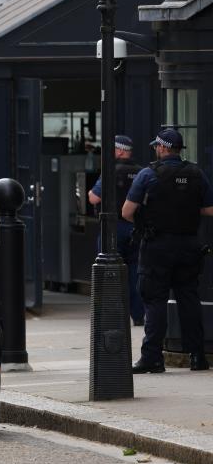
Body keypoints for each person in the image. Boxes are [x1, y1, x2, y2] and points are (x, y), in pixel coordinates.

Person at [122, 128, 213, 373]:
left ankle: (152, 358)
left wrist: (149, 221)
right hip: (189, 246)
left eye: (156, 146)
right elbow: (209, 209)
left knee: (155, 302)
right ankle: (197, 357)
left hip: (157, 247)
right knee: (189, 300)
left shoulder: (148, 174)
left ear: (162, 148)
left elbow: (127, 212)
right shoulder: (196, 174)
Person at [88, 134, 145, 325]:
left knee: (110, 273)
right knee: (136, 272)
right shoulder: (141, 171)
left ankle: (114, 317)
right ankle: (138, 316)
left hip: (114, 228)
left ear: (120, 150)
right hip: (136, 228)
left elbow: (94, 198)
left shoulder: (111, 171)